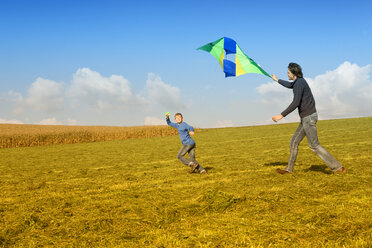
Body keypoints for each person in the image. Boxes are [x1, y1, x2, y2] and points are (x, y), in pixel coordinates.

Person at [271, 63, 345, 174]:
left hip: (308, 118)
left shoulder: (299, 84)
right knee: (294, 142)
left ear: (293, 73)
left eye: (288, 73)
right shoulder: (298, 82)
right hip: (306, 118)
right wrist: (277, 80)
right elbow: (290, 85)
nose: (287, 74)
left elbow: (296, 102)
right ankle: (288, 170)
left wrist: (281, 115)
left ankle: (338, 167)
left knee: (314, 146)